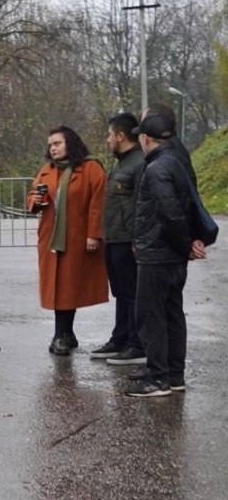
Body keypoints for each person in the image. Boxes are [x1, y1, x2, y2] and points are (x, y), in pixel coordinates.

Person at [125, 106, 205, 397]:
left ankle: (158, 378)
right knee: (172, 314)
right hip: (170, 254)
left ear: (146, 139)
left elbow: (170, 213)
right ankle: (173, 375)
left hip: (158, 254)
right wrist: (189, 243)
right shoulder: (176, 160)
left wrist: (185, 244)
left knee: (152, 315)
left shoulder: (157, 168)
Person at [28, 126, 108, 355]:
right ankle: (65, 334)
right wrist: (36, 200)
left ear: (70, 143)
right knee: (55, 286)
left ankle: (62, 334)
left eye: (57, 143)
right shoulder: (47, 170)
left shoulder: (91, 168)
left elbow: (97, 204)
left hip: (76, 238)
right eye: (50, 145)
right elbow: (33, 198)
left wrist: (93, 233)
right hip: (51, 238)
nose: (52, 148)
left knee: (68, 286)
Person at [90, 113, 147, 366]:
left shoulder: (139, 164)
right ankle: (120, 337)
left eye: (110, 134)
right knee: (122, 292)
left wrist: (137, 240)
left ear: (121, 136)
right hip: (114, 239)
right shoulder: (121, 163)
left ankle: (137, 344)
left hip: (128, 240)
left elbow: (142, 206)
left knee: (132, 293)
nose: (107, 139)